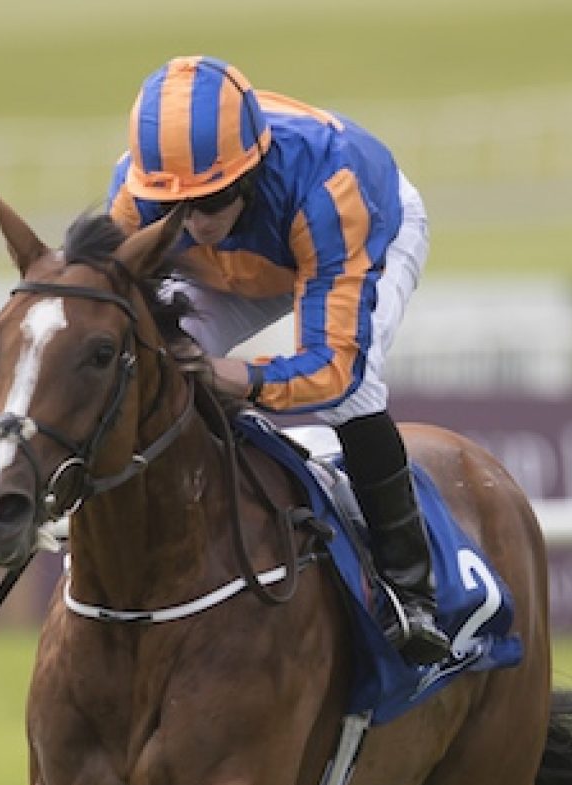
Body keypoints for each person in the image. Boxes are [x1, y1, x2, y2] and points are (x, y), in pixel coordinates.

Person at [107, 55, 450, 666]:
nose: (197, 222)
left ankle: (410, 591)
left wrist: (243, 379)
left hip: (346, 239)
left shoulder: (331, 192)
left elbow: (332, 366)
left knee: (355, 392)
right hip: (228, 270)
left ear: (250, 172)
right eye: (177, 209)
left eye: (213, 200)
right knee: (156, 362)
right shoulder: (135, 203)